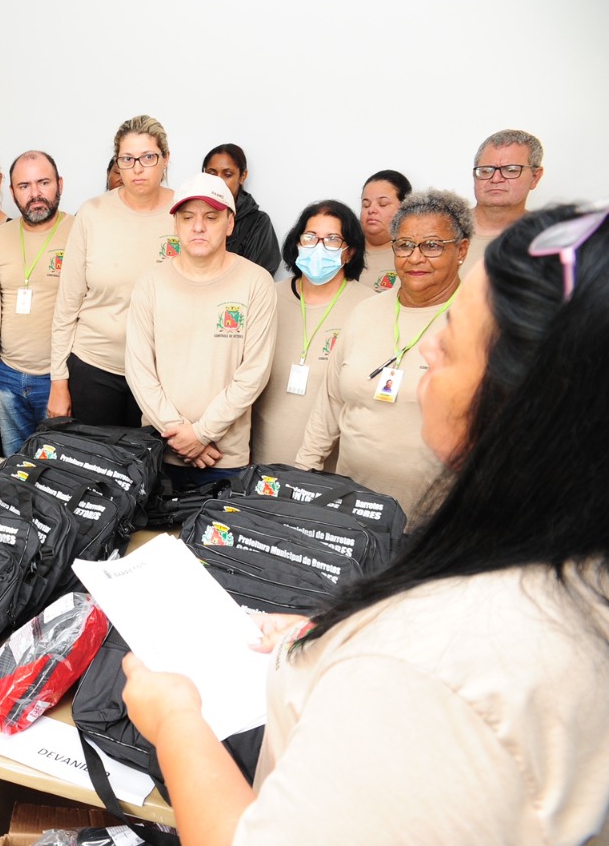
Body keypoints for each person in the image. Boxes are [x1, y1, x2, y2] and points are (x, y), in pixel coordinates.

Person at [121, 205, 609, 844]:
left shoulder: (426, 667)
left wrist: (177, 719)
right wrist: (333, 634)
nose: (428, 346)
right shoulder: (557, 567)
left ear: (523, 394)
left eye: (455, 332)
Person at [295, 189, 472, 516]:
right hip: (349, 510)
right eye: (404, 245)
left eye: (432, 245)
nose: (415, 258)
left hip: (435, 520)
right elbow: (331, 402)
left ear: (461, 249)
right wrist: (303, 471)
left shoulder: (481, 324)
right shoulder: (365, 311)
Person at [125, 173, 276, 489]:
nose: (198, 227)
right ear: (175, 225)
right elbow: (138, 369)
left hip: (224, 457)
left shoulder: (256, 283)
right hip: (159, 450)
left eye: (211, 217)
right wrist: (180, 434)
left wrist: (202, 433)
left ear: (230, 223)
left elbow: (254, 373)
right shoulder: (151, 283)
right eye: (188, 217)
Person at [48, 114, 177, 427]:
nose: (137, 168)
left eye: (148, 157)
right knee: (95, 468)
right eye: (127, 159)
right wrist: (58, 381)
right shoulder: (92, 214)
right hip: (95, 367)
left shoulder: (184, 214)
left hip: (163, 373)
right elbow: (67, 304)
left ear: (165, 159)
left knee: (153, 470)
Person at [250, 200, 372, 467]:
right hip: (259, 457)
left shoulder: (368, 307)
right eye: (310, 237)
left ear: (349, 252)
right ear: (297, 243)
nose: (319, 247)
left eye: (332, 239)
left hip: (328, 466)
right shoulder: (268, 296)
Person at [0, 150, 72, 454]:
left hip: (60, 378)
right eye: (24, 186)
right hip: (6, 375)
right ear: (11, 192)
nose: (35, 194)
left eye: (43, 182)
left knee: (60, 470)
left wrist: (64, 378)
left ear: (60, 184)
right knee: (15, 468)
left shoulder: (79, 232)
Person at [462, 128, 544, 275]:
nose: (496, 179)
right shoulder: (441, 230)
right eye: (486, 170)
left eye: (511, 170)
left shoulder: (548, 238)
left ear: (535, 177)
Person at [202, 143, 281, 276]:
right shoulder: (193, 217)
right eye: (212, 173)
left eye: (227, 174)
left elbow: (258, 278)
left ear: (242, 176)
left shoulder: (257, 222)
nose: (218, 181)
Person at [357, 169, 411, 292]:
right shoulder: (346, 253)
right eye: (366, 205)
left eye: (382, 204)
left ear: (405, 208)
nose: (371, 210)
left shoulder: (413, 256)